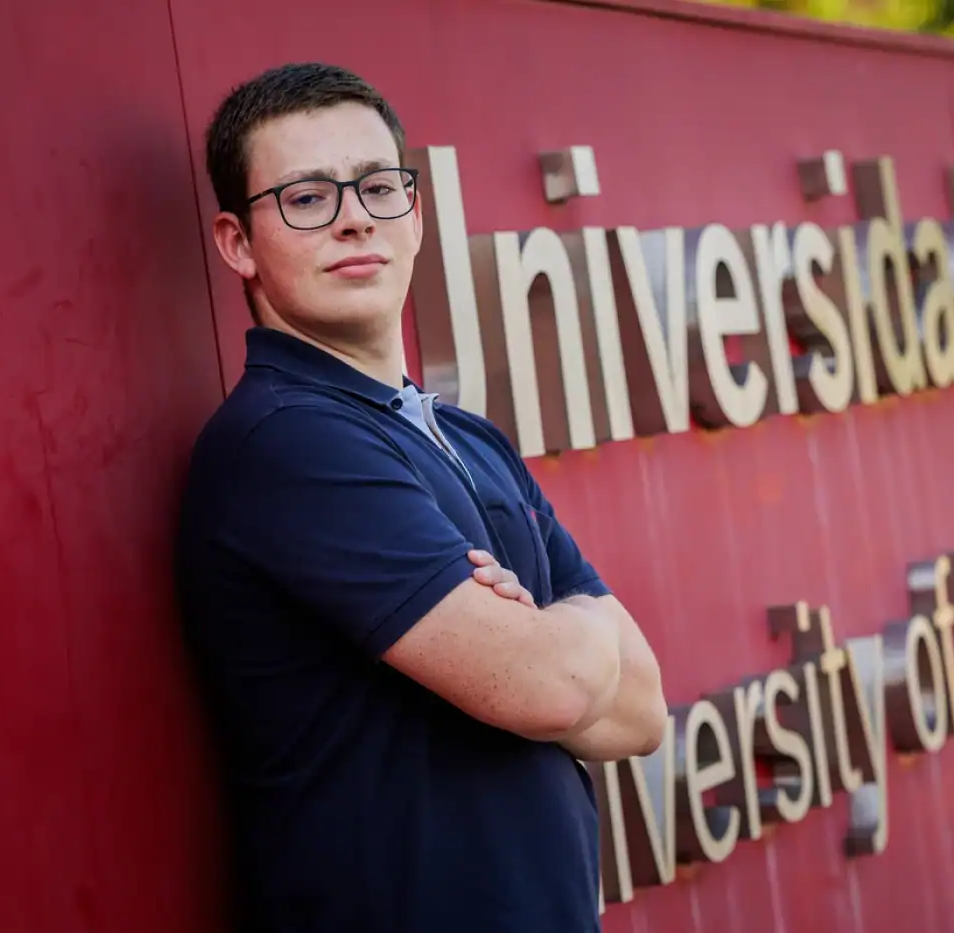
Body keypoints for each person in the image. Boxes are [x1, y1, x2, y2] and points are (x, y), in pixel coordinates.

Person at [174, 62, 667, 933]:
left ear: (416, 214)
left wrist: (548, 644)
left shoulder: (467, 435)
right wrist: (578, 629)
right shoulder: (285, 442)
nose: (355, 216)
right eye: (306, 198)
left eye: (377, 187)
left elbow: (644, 711)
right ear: (237, 242)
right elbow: (552, 690)